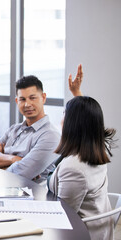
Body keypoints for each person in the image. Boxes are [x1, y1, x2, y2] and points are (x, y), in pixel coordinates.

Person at [48, 65, 116, 240]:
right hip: (101, 229)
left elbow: (62, 217)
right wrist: (77, 92)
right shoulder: (99, 146)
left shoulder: (74, 169)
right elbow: (90, 121)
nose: (61, 119)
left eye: (64, 114)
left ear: (72, 123)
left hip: (82, 235)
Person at [0, 76, 60, 183]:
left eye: (32, 98)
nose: (27, 104)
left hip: (29, 196)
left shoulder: (51, 136)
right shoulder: (14, 129)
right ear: (16, 101)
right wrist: (13, 159)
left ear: (43, 97)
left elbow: (20, 173)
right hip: (1, 188)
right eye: (22, 99)